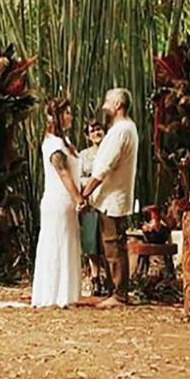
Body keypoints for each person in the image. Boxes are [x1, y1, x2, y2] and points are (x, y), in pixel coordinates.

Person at [81, 88, 139, 308]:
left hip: (112, 197)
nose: (103, 105)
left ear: (117, 105)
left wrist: (84, 193)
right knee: (113, 245)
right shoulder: (125, 128)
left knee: (113, 245)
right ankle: (116, 290)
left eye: (107, 101)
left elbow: (103, 168)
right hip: (112, 196)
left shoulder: (120, 131)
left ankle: (119, 294)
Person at [31, 98, 85, 308]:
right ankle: (54, 294)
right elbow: (63, 172)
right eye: (67, 113)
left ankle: (67, 293)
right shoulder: (53, 144)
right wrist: (78, 197)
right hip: (58, 200)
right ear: (58, 117)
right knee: (56, 243)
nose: (71, 116)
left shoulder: (65, 142)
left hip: (67, 202)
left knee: (68, 242)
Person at [78, 118, 107, 295]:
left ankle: (110, 278)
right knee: (91, 242)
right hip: (90, 201)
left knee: (107, 241)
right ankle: (95, 278)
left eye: (99, 129)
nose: (96, 133)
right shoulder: (83, 155)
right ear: (88, 136)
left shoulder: (110, 151)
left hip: (106, 199)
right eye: (92, 130)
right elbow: (79, 176)